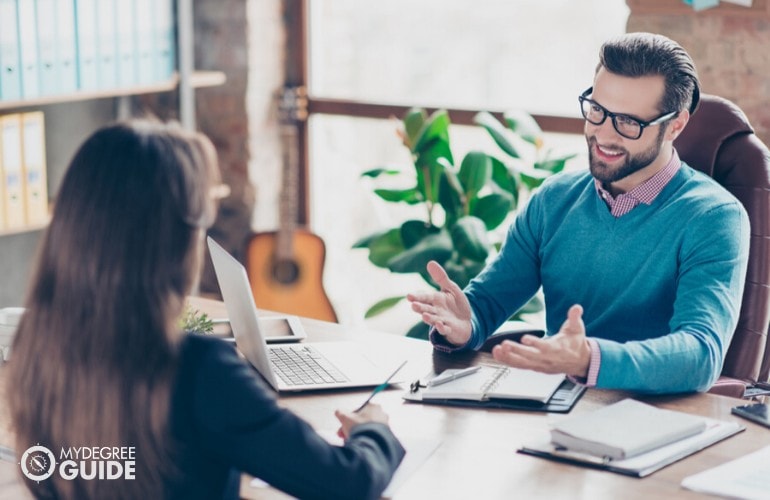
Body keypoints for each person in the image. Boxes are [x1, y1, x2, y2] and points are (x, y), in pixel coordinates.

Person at [6, 119, 404, 500]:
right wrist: (374, 431)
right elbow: (348, 482)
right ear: (176, 240)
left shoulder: (36, 344)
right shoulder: (196, 368)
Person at [407, 32, 750, 395]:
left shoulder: (715, 218)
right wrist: (466, 323)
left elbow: (700, 353)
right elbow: (488, 302)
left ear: (675, 125)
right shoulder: (554, 199)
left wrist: (589, 359)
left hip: (655, 419)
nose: (603, 134)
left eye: (629, 123)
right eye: (598, 111)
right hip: (556, 409)